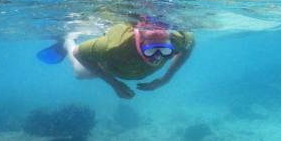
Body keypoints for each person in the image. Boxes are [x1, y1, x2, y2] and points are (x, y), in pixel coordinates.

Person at [37, 17, 195, 99]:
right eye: (151, 51)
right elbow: (79, 53)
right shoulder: (113, 47)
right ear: (140, 44)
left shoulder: (180, 39)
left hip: (124, 64)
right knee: (79, 73)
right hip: (110, 64)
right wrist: (114, 84)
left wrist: (164, 80)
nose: (157, 58)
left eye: (166, 52)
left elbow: (187, 48)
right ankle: (68, 40)